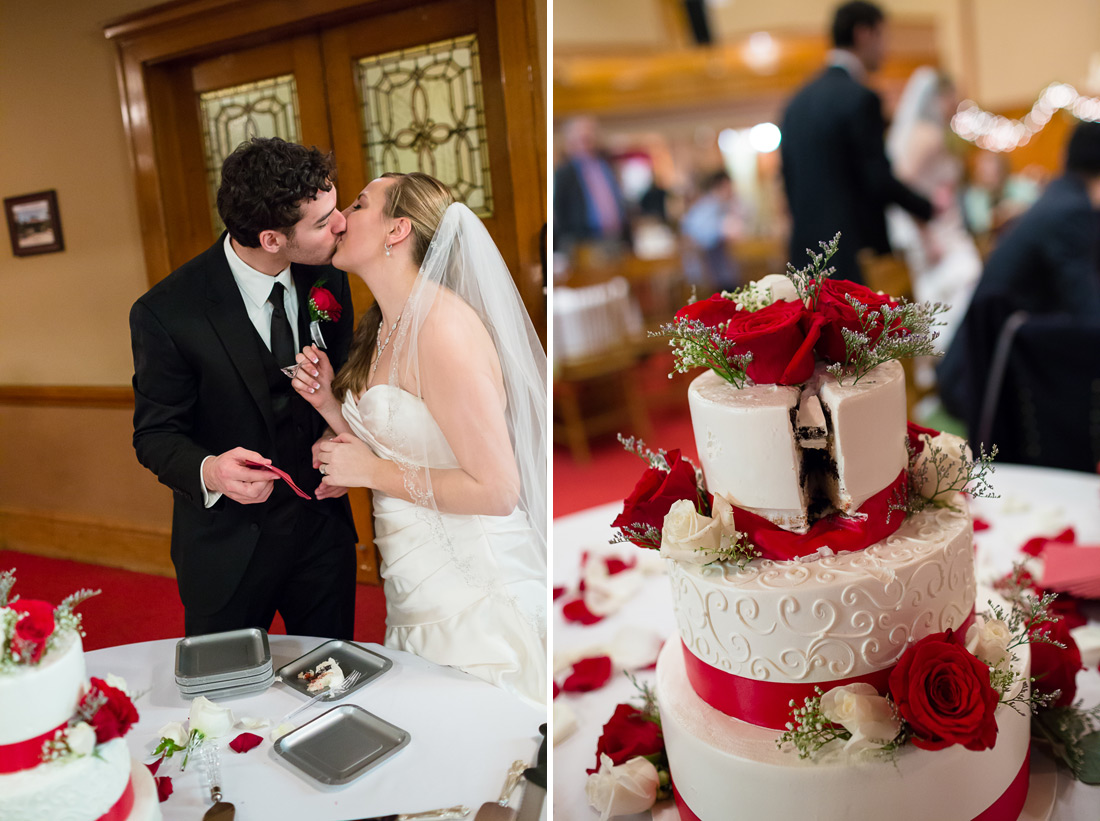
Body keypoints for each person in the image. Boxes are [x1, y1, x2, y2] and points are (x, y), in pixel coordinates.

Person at [290, 172, 547, 708]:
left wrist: (367, 473)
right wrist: (334, 415)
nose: (340, 219)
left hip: (473, 594)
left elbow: (497, 490)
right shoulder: (382, 325)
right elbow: (411, 443)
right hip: (414, 586)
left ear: (397, 229)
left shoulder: (441, 328)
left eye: (359, 205)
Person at [130, 137, 358, 638]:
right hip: (227, 547)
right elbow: (155, 435)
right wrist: (210, 470)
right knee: (225, 702)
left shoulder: (330, 276)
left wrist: (341, 439)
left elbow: (346, 381)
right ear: (272, 238)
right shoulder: (168, 312)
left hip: (323, 534)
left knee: (333, 684)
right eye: (322, 220)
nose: (341, 222)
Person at [939, 120, 1100, 423]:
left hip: (989, 369)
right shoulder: (1071, 211)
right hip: (983, 384)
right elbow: (1087, 309)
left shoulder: (1062, 198)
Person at [780, 1, 933, 284]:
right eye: (883, 37)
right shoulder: (860, 98)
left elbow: (788, 180)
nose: (887, 49)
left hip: (804, 256)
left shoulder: (795, 103)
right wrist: (926, 208)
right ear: (864, 34)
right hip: (851, 253)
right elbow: (876, 178)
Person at [886, 67, 982, 353]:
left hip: (944, 227)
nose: (956, 104)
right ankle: (952, 361)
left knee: (947, 297)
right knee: (966, 279)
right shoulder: (927, 134)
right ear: (941, 96)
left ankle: (948, 362)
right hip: (936, 232)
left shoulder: (928, 132)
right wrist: (927, 234)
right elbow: (903, 187)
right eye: (954, 97)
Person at [553, 116, 631, 252]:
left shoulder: (607, 165)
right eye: (582, 139)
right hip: (585, 242)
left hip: (616, 237)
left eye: (589, 138)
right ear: (571, 141)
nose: (586, 143)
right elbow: (560, 211)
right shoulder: (564, 173)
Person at [680, 169, 744, 293]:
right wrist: (722, 230)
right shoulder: (707, 207)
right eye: (729, 187)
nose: (732, 192)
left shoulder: (721, 205)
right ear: (722, 186)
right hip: (710, 275)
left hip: (721, 273)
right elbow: (697, 237)